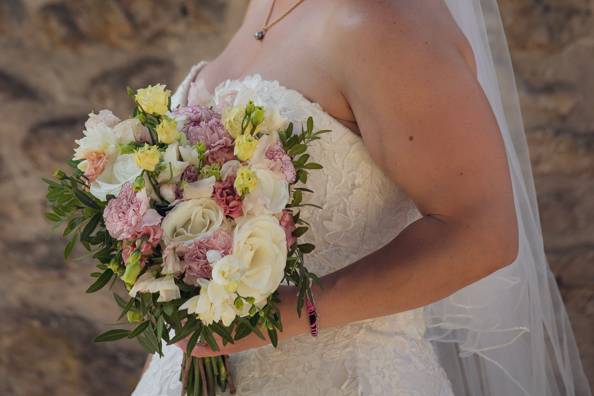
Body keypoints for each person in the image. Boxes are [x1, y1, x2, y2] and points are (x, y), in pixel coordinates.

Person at [132, 1, 592, 395]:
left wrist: (283, 316)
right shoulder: (268, 4)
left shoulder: (385, 21)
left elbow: (483, 233)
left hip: (342, 378)